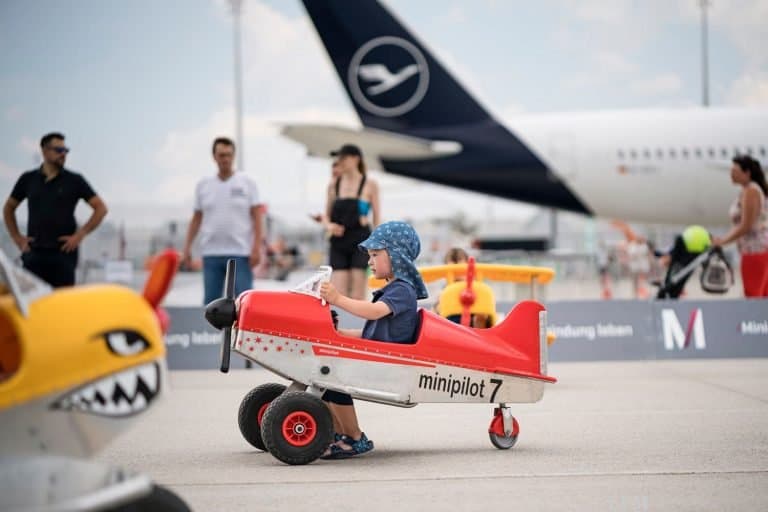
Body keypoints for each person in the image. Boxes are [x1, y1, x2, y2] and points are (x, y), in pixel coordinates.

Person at [319, 221, 428, 459]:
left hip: (391, 364)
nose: (369, 261)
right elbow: (373, 333)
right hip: (381, 357)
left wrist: (338, 298)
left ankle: (354, 438)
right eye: (369, 255)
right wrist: (339, 334)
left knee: (332, 377)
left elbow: (373, 312)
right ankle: (338, 435)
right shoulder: (392, 290)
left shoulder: (402, 290)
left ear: (396, 256)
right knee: (322, 377)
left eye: (375, 254)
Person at [3, 132, 107, 287]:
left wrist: (80, 235)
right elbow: (9, 208)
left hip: (63, 255)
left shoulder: (75, 180)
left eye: (66, 151)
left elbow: (100, 208)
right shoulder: (28, 179)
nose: (63, 154)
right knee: (33, 304)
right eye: (58, 150)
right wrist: (17, 237)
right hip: (34, 254)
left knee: (62, 306)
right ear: (45, 151)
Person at [182, 137, 262, 304]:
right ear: (214, 157)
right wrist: (187, 247)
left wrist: (256, 248)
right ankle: (211, 332)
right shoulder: (204, 185)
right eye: (221, 155)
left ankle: (244, 331)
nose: (225, 159)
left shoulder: (247, 183)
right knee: (211, 305)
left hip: (240, 254)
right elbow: (196, 218)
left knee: (245, 302)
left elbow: (257, 217)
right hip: (211, 253)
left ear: (234, 156)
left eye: (228, 155)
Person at [324, 144, 380, 300]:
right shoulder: (333, 185)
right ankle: (339, 323)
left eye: (343, 158)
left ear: (356, 159)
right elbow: (326, 215)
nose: (340, 161)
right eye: (338, 158)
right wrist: (329, 226)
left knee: (357, 289)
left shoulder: (370, 184)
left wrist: (378, 244)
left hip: (361, 239)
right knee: (338, 290)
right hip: (338, 241)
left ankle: (357, 324)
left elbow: (376, 217)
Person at [713, 155, 768, 297]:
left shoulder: (751, 191)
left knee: (753, 294)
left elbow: (746, 226)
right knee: (759, 293)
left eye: (735, 171)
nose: (731, 174)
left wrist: (723, 241)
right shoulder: (747, 191)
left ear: (747, 172)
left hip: (755, 250)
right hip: (752, 250)